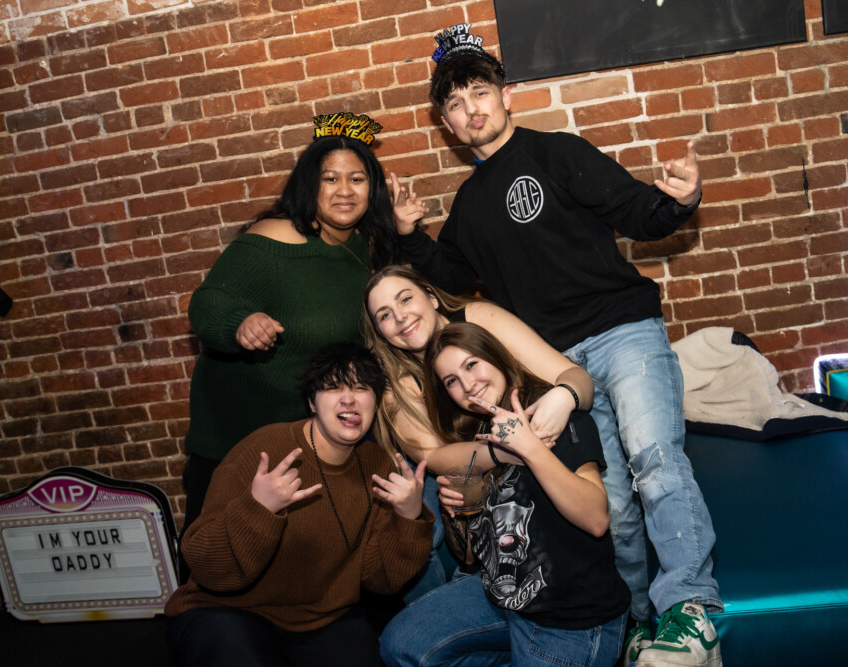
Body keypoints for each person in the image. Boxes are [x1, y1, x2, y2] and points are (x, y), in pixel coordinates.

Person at [389, 25, 722, 667]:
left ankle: (690, 610)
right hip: (556, 363)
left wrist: (680, 204)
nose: (471, 111)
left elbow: (635, 209)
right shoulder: (469, 205)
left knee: (654, 455)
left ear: (506, 95)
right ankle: (633, 622)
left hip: (623, 330)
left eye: (479, 93)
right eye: (455, 106)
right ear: (447, 124)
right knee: (613, 502)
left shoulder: (557, 153)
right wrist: (410, 237)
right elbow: (451, 281)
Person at [181, 112, 399, 534]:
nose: (344, 190)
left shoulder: (361, 247)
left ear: (372, 189)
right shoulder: (274, 239)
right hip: (237, 449)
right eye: (329, 178)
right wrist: (240, 322)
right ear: (308, 184)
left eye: (357, 179)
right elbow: (207, 304)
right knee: (216, 567)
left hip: (313, 446)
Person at [166, 342, 433, 667]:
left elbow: (380, 580)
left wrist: (408, 517)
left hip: (321, 618)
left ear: (375, 403)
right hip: (229, 611)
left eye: (361, 388)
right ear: (311, 403)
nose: (348, 398)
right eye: (333, 387)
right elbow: (208, 568)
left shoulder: (378, 465)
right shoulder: (263, 451)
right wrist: (258, 508)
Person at [380, 322, 630, 667]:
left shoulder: (549, 414)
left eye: (471, 365)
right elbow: (470, 558)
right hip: (505, 597)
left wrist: (529, 447)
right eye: (451, 381)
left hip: (570, 619)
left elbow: (596, 519)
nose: (467, 385)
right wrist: (466, 509)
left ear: (496, 356)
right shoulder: (481, 430)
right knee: (401, 643)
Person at [362, 264, 594, 475]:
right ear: (380, 334)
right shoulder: (399, 386)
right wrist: (503, 450)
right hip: (489, 480)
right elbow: (432, 457)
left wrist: (565, 396)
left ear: (431, 297)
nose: (400, 316)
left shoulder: (477, 319)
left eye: (405, 299)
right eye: (384, 315)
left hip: (554, 434)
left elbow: (572, 375)